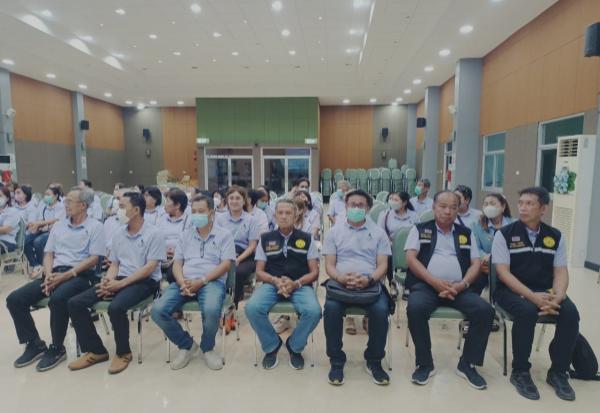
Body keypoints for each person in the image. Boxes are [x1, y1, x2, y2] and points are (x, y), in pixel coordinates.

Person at [492, 187, 579, 401]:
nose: (523, 208)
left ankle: (558, 372)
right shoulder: (504, 234)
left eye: (529, 204)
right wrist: (533, 298)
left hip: (545, 290)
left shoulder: (555, 236)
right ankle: (520, 371)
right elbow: (503, 273)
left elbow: (560, 272)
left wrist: (558, 296)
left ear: (543, 209)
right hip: (510, 290)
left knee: (570, 313)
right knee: (527, 311)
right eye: (521, 203)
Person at [6, 186, 105, 371]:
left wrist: (67, 275)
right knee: (15, 299)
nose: (65, 204)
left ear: (83, 205)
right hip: (55, 273)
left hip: (81, 276)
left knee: (58, 299)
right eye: (65, 201)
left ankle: (57, 348)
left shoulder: (95, 227)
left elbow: (94, 259)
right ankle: (34, 343)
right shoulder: (60, 225)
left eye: (70, 201)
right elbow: (49, 253)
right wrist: (48, 273)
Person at [405, 190, 494, 389]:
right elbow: (411, 259)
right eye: (443, 206)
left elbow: (475, 263)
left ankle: (467, 364)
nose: (448, 211)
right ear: (433, 207)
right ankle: (424, 363)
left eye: (453, 207)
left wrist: (462, 284)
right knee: (415, 308)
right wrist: (434, 282)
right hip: (427, 286)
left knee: (485, 311)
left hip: (458, 287)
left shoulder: (466, 233)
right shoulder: (419, 229)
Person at [67, 192, 164, 374]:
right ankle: (96, 351)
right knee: (75, 303)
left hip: (145, 282)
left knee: (116, 308)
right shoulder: (119, 233)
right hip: (120, 278)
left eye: (122, 207)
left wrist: (121, 284)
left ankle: (123, 353)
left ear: (136, 210)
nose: (117, 211)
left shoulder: (154, 233)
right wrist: (109, 280)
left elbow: (150, 267)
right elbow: (115, 264)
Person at [152, 194, 236, 371]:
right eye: (194, 211)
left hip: (211, 281)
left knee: (211, 310)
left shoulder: (224, 235)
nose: (197, 215)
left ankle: (207, 348)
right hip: (185, 281)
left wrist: (202, 280)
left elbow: (226, 264)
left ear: (211, 213)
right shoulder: (185, 235)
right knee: (158, 310)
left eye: (201, 211)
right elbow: (177, 263)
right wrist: (181, 281)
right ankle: (187, 345)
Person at [322, 189, 392, 386]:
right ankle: (336, 361)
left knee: (381, 310)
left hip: (370, 284)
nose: (356, 208)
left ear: (368, 208)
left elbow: (383, 265)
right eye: (352, 204)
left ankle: (374, 360)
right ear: (346, 206)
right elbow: (329, 265)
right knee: (331, 309)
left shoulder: (378, 233)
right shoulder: (334, 232)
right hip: (340, 284)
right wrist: (340, 278)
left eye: (361, 205)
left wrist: (369, 279)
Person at [245, 199, 321, 370]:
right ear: (275, 216)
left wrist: (296, 283)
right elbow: (259, 271)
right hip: (272, 283)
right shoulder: (265, 239)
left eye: (288, 213)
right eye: (280, 213)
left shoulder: (307, 238)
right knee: (252, 308)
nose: (284, 216)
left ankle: (295, 346)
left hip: (300, 284)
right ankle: (271, 345)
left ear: (296, 216)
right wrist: (275, 280)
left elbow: (314, 272)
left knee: (314, 311)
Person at [215, 186, 259, 309]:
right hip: (223, 253)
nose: (234, 201)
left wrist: (237, 260)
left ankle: (233, 304)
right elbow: (216, 241)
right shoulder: (219, 218)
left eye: (238, 198)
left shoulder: (251, 220)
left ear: (244, 201)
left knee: (237, 272)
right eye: (231, 198)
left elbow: (252, 246)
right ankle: (218, 300)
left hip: (245, 255)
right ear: (227, 200)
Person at [470, 193, 513, 295]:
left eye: (492, 204)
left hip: (508, 267)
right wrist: (487, 257)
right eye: (486, 204)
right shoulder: (476, 224)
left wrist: (495, 258)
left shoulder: (513, 225)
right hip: (485, 267)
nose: (489, 207)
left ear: (503, 207)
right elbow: (475, 247)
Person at [24, 186, 66, 278]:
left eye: (48, 194)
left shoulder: (60, 206)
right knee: (26, 239)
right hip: (44, 230)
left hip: (54, 232)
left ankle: (43, 266)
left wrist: (39, 223)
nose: (45, 196)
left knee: (38, 242)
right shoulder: (44, 206)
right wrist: (35, 226)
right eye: (45, 194)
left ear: (56, 196)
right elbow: (41, 219)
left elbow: (55, 220)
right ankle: (36, 265)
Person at [156, 188, 191, 283]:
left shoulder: (189, 221)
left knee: (172, 273)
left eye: (168, 201)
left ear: (177, 205)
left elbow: (189, 243)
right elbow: (155, 238)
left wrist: (177, 253)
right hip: (160, 256)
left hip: (180, 257)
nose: (165, 204)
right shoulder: (161, 218)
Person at [0, 186, 21, 254]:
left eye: (0, 196)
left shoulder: (12, 211)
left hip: (6, 242)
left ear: (7, 198)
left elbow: (6, 229)